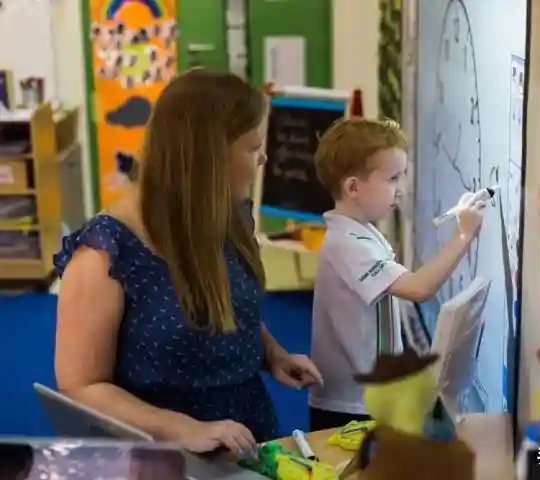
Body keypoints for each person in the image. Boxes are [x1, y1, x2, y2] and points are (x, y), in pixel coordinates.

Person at [53, 69, 322, 456]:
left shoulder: (229, 214)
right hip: (161, 455)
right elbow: (81, 386)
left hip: (248, 435)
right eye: (253, 148)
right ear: (210, 157)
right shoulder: (105, 254)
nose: (263, 158)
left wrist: (272, 353)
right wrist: (179, 428)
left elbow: (228, 305)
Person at [308, 118, 486, 430]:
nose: (402, 189)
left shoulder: (361, 233)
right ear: (353, 188)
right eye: (393, 178)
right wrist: (463, 236)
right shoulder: (347, 245)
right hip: (350, 407)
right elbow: (418, 288)